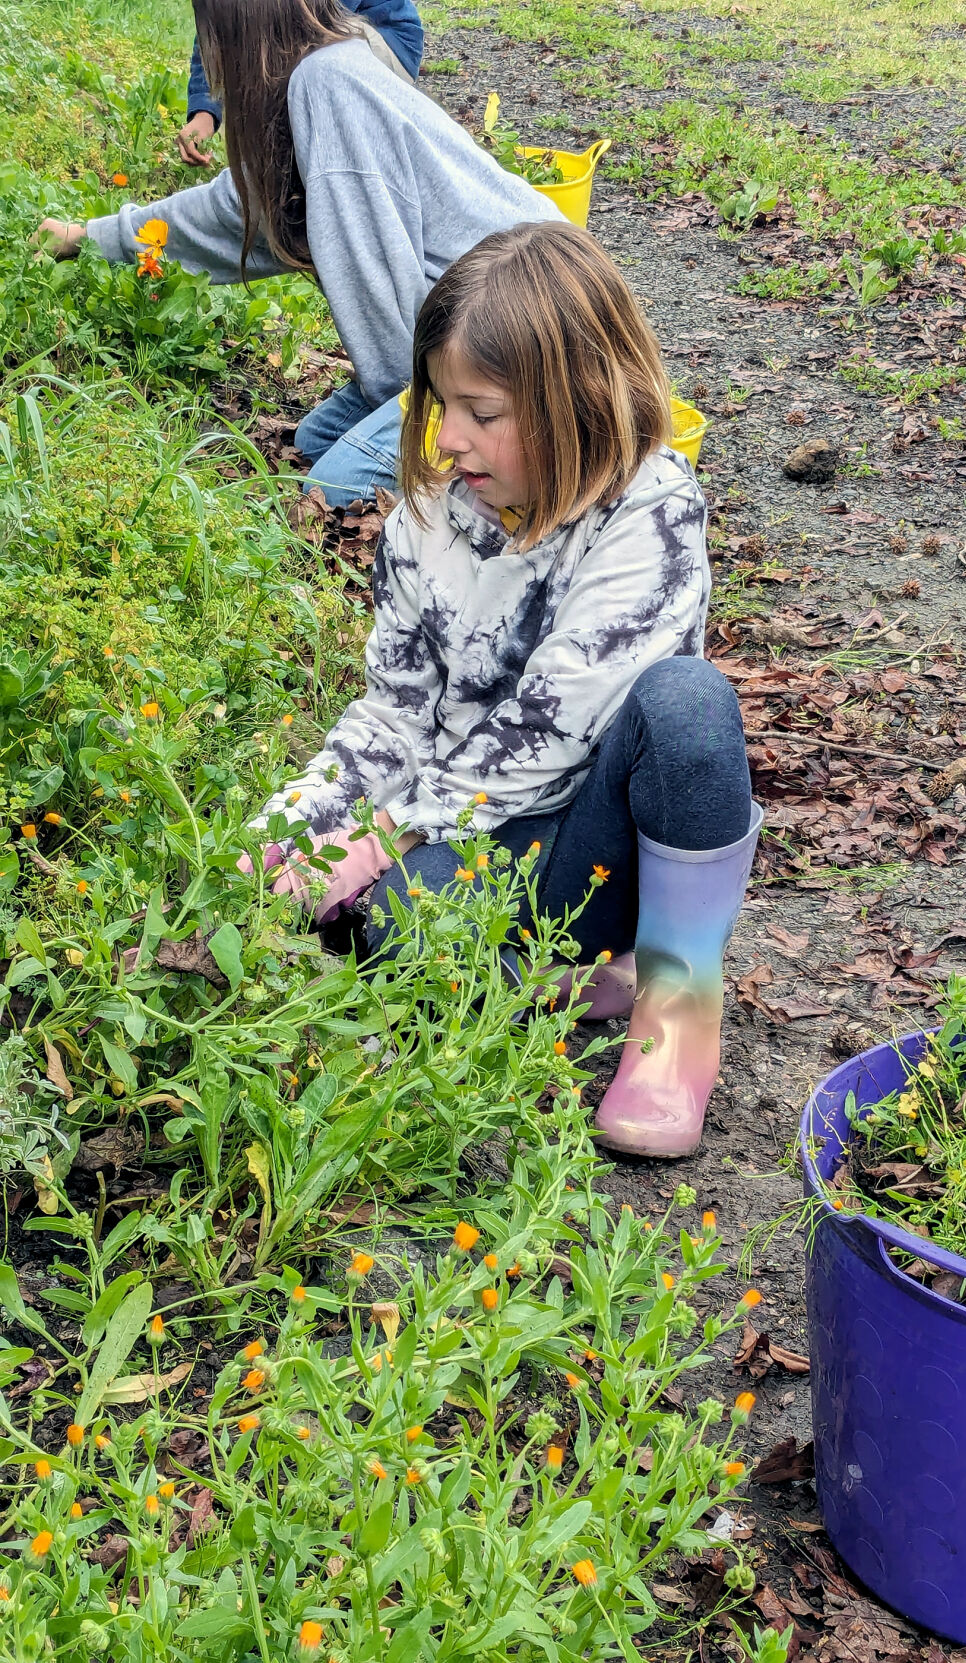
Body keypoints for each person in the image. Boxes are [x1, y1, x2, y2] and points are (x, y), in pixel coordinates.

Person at [253, 221, 762, 1160]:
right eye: (441, 405)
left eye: (480, 411)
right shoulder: (427, 518)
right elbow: (395, 708)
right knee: (404, 925)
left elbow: (555, 720)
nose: (448, 440)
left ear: (577, 400)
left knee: (690, 704)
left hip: (600, 839)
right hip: (487, 839)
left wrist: (384, 834)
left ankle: (676, 1007)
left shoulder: (649, 510)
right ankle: (558, 978)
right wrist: (293, 829)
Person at [37, 0, 560, 508]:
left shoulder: (327, 84)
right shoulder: (306, 83)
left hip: (527, 317)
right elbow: (224, 216)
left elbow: (378, 288)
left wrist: (419, 419)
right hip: (461, 329)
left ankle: (546, 461)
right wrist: (88, 238)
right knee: (312, 443)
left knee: (337, 488)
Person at [178, 0, 425, 167]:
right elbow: (220, 20)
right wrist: (204, 111)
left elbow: (308, 20)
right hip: (311, 34)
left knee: (286, 49)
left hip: (382, 34)